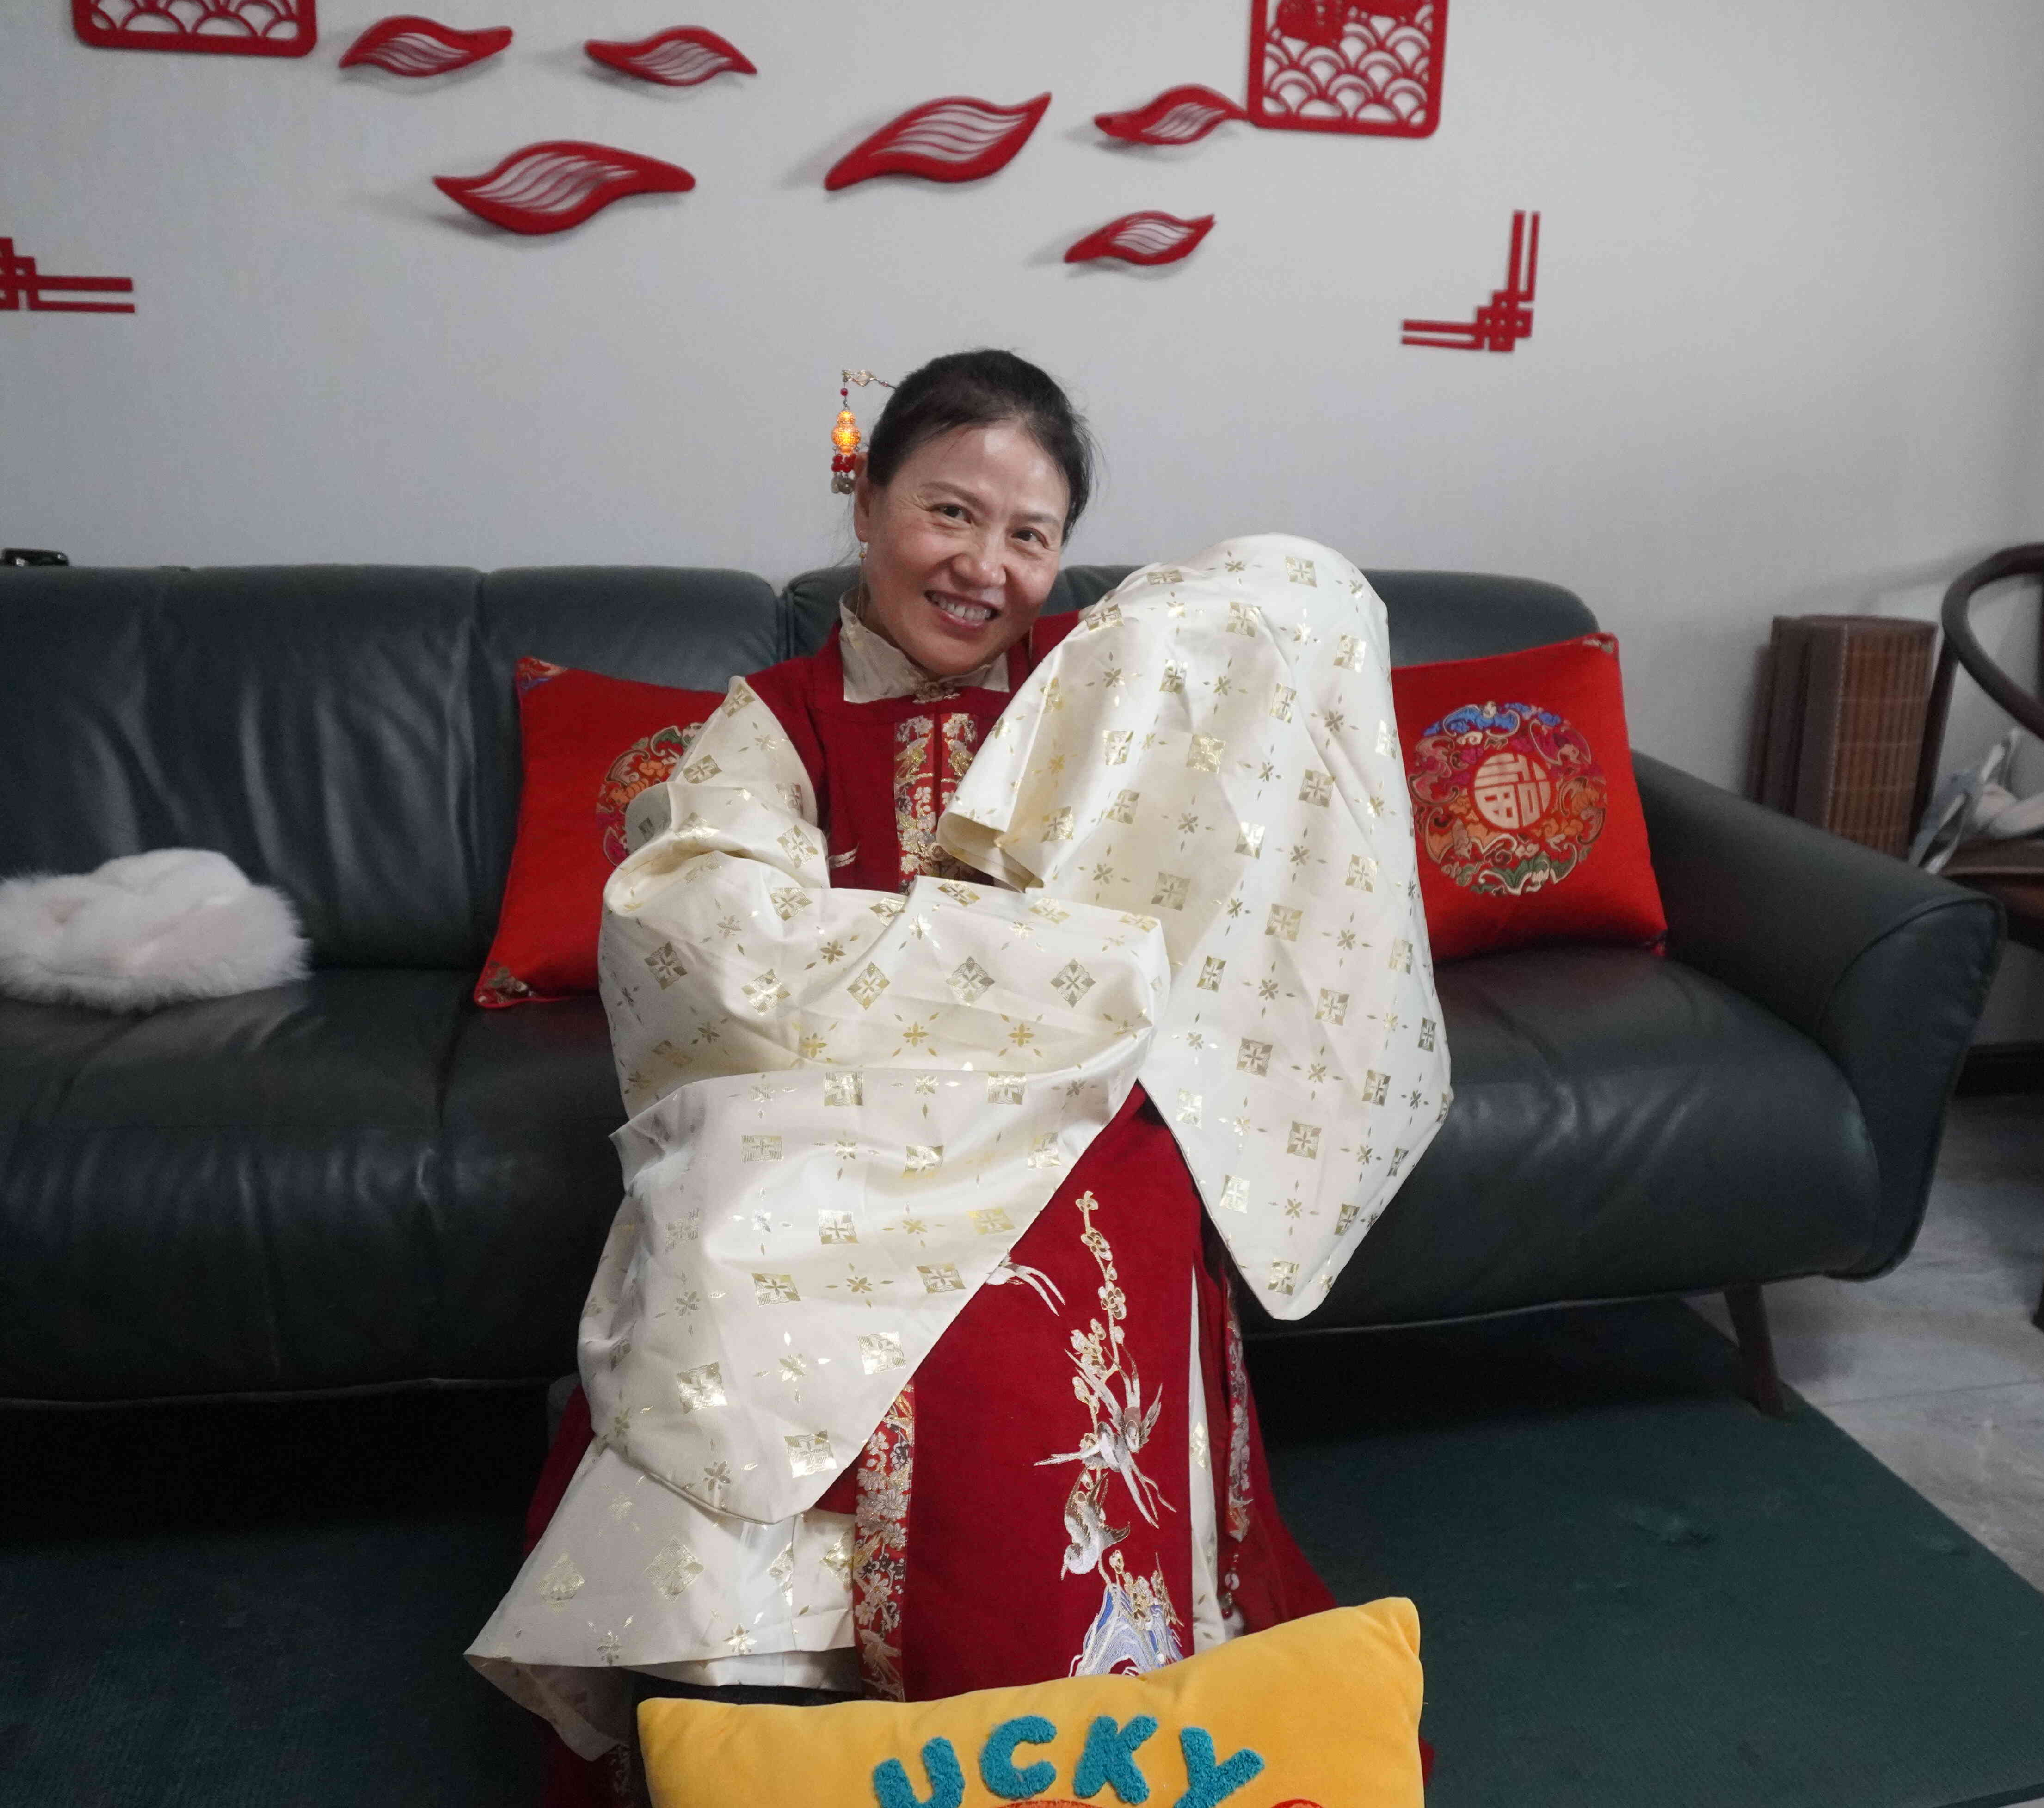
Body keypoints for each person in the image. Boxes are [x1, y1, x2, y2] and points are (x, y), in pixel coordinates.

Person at [468, 351, 1449, 1805]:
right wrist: (1051, 964)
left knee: (1060, 1276)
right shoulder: (775, 719)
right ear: (865, 504)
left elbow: (1306, 606)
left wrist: (1034, 971)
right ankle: (761, 1692)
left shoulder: (1109, 703)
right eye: (948, 512)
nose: (984, 567)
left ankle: (1072, 1698)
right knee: (733, 1235)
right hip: (825, 1107)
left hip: (1068, 1107)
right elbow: (711, 943)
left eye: (1030, 535)